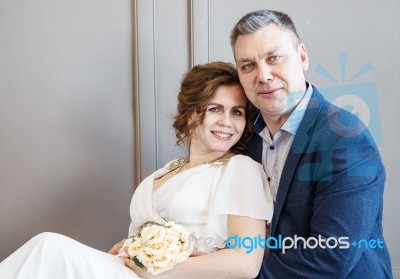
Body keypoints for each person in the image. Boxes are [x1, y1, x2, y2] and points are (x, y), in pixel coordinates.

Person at [0, 61, 274, 279]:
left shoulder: (240, 170)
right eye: (216, 109)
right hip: (130, 271)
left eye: (237, 112)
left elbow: (245, 262)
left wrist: (161, 271)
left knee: (49, 247)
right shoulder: (165, 172)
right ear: (191, 113)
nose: (228, 122)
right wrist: (132, 247)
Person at [230, 9, 392, 278]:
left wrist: (229, 272)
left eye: (275, 58)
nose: (264, 75)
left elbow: (331, 258)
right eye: (248, 65)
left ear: (302, 56)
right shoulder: (242, 137)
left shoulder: (346, 138)